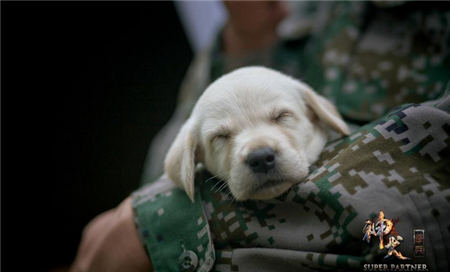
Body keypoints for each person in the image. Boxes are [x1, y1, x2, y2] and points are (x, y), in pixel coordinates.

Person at [71, 1, 450, 271]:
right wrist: (247, 45)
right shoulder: (295, 11)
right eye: (223, 137)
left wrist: (168, 223)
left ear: (325, 117)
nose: (259, 152)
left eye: (281, 117)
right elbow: (155, 173)